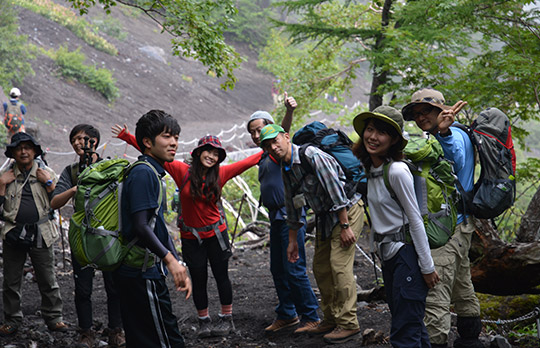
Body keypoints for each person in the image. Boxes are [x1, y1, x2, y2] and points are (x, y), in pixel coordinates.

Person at [112, 125, 262, 338]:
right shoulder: (181, 170)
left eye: (216, 153)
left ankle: (226, 318)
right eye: (208, 151)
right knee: (198, 278)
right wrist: (127, 137)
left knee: (221, 276)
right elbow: (153, 150)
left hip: (216, 234)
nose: (211, 156)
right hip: (191, 236)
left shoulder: (222, 173)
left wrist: (276, 142)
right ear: (198, 152)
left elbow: (252, 160)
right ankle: (204, 320)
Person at [259, 123, 364, 344]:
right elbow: (293, 207)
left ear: (286, 137)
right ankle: (330, 319)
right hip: (326, 217)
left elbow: (336, 191)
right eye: (268, 146)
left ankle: (348, 324)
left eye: (275, 141)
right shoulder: (286, 168)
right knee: (320, 268)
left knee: (338, 265)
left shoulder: (312, 155)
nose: (273, 147)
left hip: (347, 212)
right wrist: (292, 242)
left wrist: (345, 227)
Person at [352, 106, 439, 347]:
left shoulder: (398, 171)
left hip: (406, 256)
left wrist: (427, 266)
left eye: (381, 132)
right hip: (389, 257)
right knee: (411, 325)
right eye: (370, 130)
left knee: (404, 333)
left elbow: (415, 219)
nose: (373, 137)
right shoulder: (371, 170)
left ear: (392, 140)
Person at [402, 89, 483, 348]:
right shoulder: (437, 135)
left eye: (426, 111)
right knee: (461, 283)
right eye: (416, 114)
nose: (420, 117)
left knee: (436, 293)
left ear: (440, 110)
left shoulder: (453, 134)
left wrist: (444, 132)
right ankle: (470, 340)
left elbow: (455, 158)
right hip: (460, 225)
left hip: (447, 228)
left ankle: (435, 341)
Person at [112, 110, 191, 348]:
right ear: (147, 142)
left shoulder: (152, 171)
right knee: (167, 339)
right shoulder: (144, 173)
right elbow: (141, 226)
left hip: (137, 270)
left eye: (176, 137)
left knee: (143, 338)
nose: (174, 143)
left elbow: (156, 226)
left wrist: (177, 261)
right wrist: (170, 260)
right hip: (140, 272)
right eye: (167, 136)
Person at [247, 95, 320, 334]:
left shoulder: (275, 150)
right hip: (275, 218)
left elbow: (282, 132)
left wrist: (288, 112)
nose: (257, 136)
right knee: (278, 269)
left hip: (290, 216)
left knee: (294, 267)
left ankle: (311, 316)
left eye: (260, 130)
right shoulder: (263, 156)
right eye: (252, 132)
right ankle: (287, 314)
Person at [50, 124, 125, 348]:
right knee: (83, 288)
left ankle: (116, 331)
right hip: (82, 236)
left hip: (109, 235)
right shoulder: (71, 172)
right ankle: (86, 333)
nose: (77, 143)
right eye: (74, 140)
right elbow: (54, 202)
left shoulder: (109, 167)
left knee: (114, 286)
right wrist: (75, 189)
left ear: (94, 141)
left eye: (82, 139)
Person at [0, 133, 67, 337]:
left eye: (27, 147)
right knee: (11, 279)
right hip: (13, 231)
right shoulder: (5, 176)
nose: (23, 152)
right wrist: (1, 185)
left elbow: (60, 201)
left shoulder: (47, 174)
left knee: (47, 278)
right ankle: (12, 319)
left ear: (34, 151)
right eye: (19, 148)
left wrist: (49, 184)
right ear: (12, 153)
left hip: (42, 231)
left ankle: (54, 318)